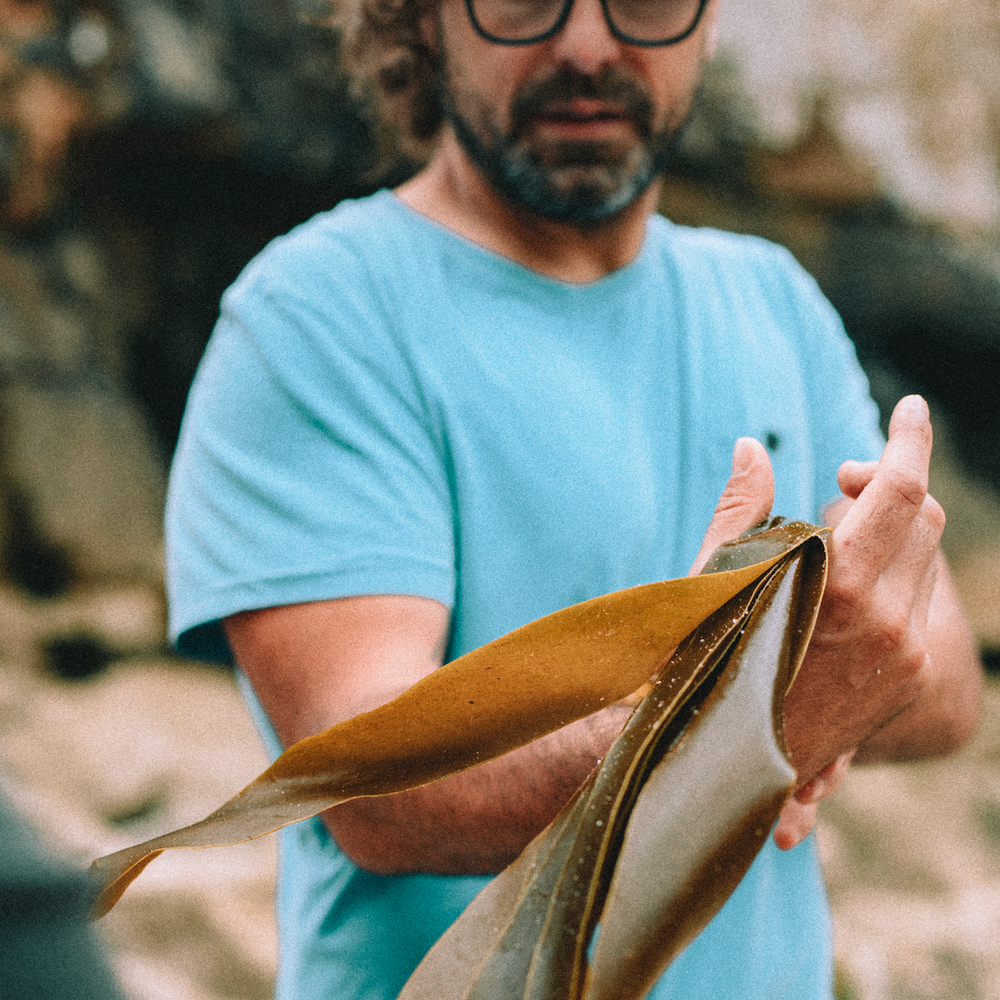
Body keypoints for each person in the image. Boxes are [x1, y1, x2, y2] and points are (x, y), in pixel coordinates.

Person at [164, 0, 983, 995]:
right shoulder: (313, 317)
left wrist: (800, 696)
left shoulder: (771, 299)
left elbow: (938, 673)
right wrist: (747, 720)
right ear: (420, 23)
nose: (588, 46)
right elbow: (377, 789)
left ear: (708, 21)